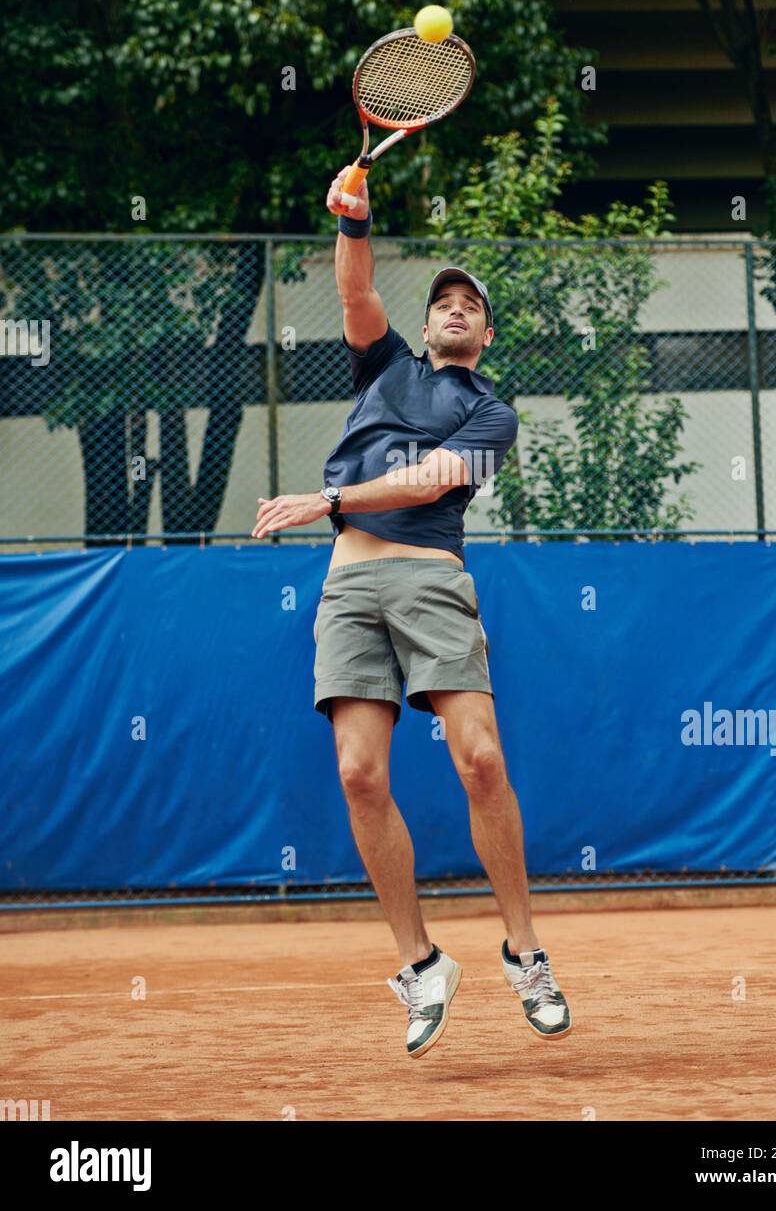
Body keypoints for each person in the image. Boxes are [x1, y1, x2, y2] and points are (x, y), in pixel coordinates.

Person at [252, 168, 572, 1057]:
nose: (457, 308)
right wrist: (354, 216)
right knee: (359, 774)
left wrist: (330, 498)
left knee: (478, 758)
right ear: (426, 326)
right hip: (348, 587)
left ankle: (526, 949)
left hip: (431, 580)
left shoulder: (491, 415)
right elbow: (354, 288)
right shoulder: (384, 364)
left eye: (472, 303)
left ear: (485, 331)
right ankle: (421, 963)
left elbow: (430, 479)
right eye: (444, 302)